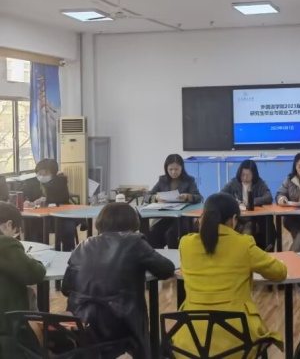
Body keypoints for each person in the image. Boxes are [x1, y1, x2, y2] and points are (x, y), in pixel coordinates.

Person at [174, 193, 287, 357]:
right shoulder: (243, 244)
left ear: (202, 217)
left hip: (189, 342)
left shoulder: (186, 244)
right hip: (238, 341)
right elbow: (279, 272)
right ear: (233, 220)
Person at [62, 203, 175, 359]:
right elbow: (166, 269)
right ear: (133, 221)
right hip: (121, 324)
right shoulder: (134, 242)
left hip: (83, 325)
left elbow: (66, 288)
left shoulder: (83, 245)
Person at [0, 202, 47, 357]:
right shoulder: (5, 244)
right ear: (8, 225)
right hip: (7, 325)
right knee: (30, 295)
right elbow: (34, 273)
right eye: (15, 232)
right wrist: (34, 261)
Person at [147, 154, 202, 249]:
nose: (173, 172)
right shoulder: (162, 180)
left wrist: (187, 196)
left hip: (182, 218)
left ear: (182, 168)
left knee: (171, 234)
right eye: (170, 169)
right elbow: (147, 196)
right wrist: (156, 197)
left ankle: (177, 256)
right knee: (152, 234)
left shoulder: (189, 180)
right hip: (165, 217)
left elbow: (199, 197)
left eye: (176, 169)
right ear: (166, 169)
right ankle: (157, 256)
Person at [23, 158, 77, 250]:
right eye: (39, 173)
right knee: (34, 231)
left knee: (68, 228)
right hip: (38, 218)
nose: (42, 176)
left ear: (53, 174)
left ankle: (67, 253)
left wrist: (47, 199)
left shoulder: (60, 182)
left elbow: (63, 198)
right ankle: (38, 251)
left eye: (45, 174)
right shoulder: (30, 182)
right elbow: (22, 195)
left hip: (59, 217)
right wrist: (26, 201)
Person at [220, 160, 274, 248]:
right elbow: (221, 195)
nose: (245, 177)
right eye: (243, 175)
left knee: (247, 233)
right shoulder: (234, 183)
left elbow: (268, 197)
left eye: (248, 175)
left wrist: (253, 201)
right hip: (237, 218)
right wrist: (233, 202)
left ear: (254, 174)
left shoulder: (259, 183)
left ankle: (244, 252)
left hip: (253, 219)